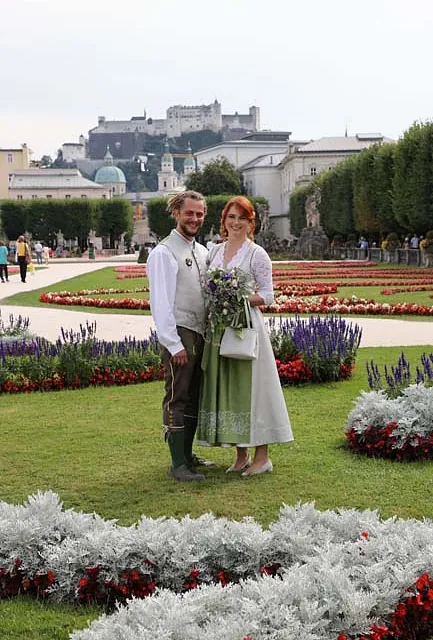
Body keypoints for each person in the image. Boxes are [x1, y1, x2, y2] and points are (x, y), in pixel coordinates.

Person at [197, 196, 293, 476]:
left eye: (242, 218)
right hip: (219, 329)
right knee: (231, 390)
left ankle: (262, 458)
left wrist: (236, 298)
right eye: (231, 217)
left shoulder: (257, 254)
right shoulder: (214, 252)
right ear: (224, 221)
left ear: (251, 223)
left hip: (247, 326)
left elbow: (268, 295)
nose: (235, 223)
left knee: (254, 390)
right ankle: (241, 456)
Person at [147, 190, 215, 482]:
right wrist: (174, 344)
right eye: (189, 213)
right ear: (176, 212)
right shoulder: (163, 252)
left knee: (194, 396)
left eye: (199, 214)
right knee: (177, 396)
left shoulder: (202, 252)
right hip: (181, 332)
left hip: (200, 332)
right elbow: (160, 303)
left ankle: (186, 455)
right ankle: (177, 464)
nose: (195, 219)